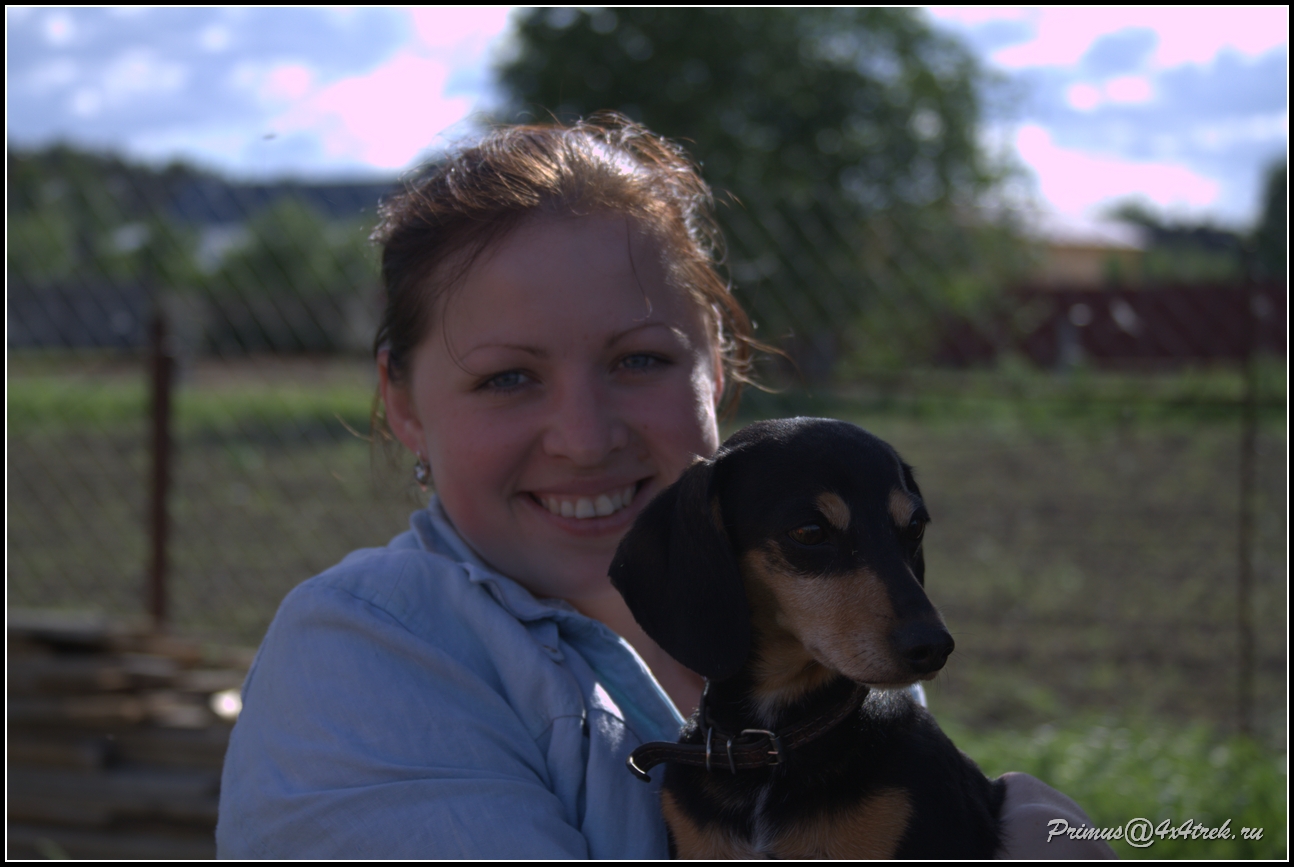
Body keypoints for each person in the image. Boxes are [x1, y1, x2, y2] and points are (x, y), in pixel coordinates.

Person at [216, 114, 1114, 859]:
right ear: (403, 403)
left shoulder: (817, 638)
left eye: (639, 359)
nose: (584, 438)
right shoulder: (365, 655)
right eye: (507, 377)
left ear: (716, 363)